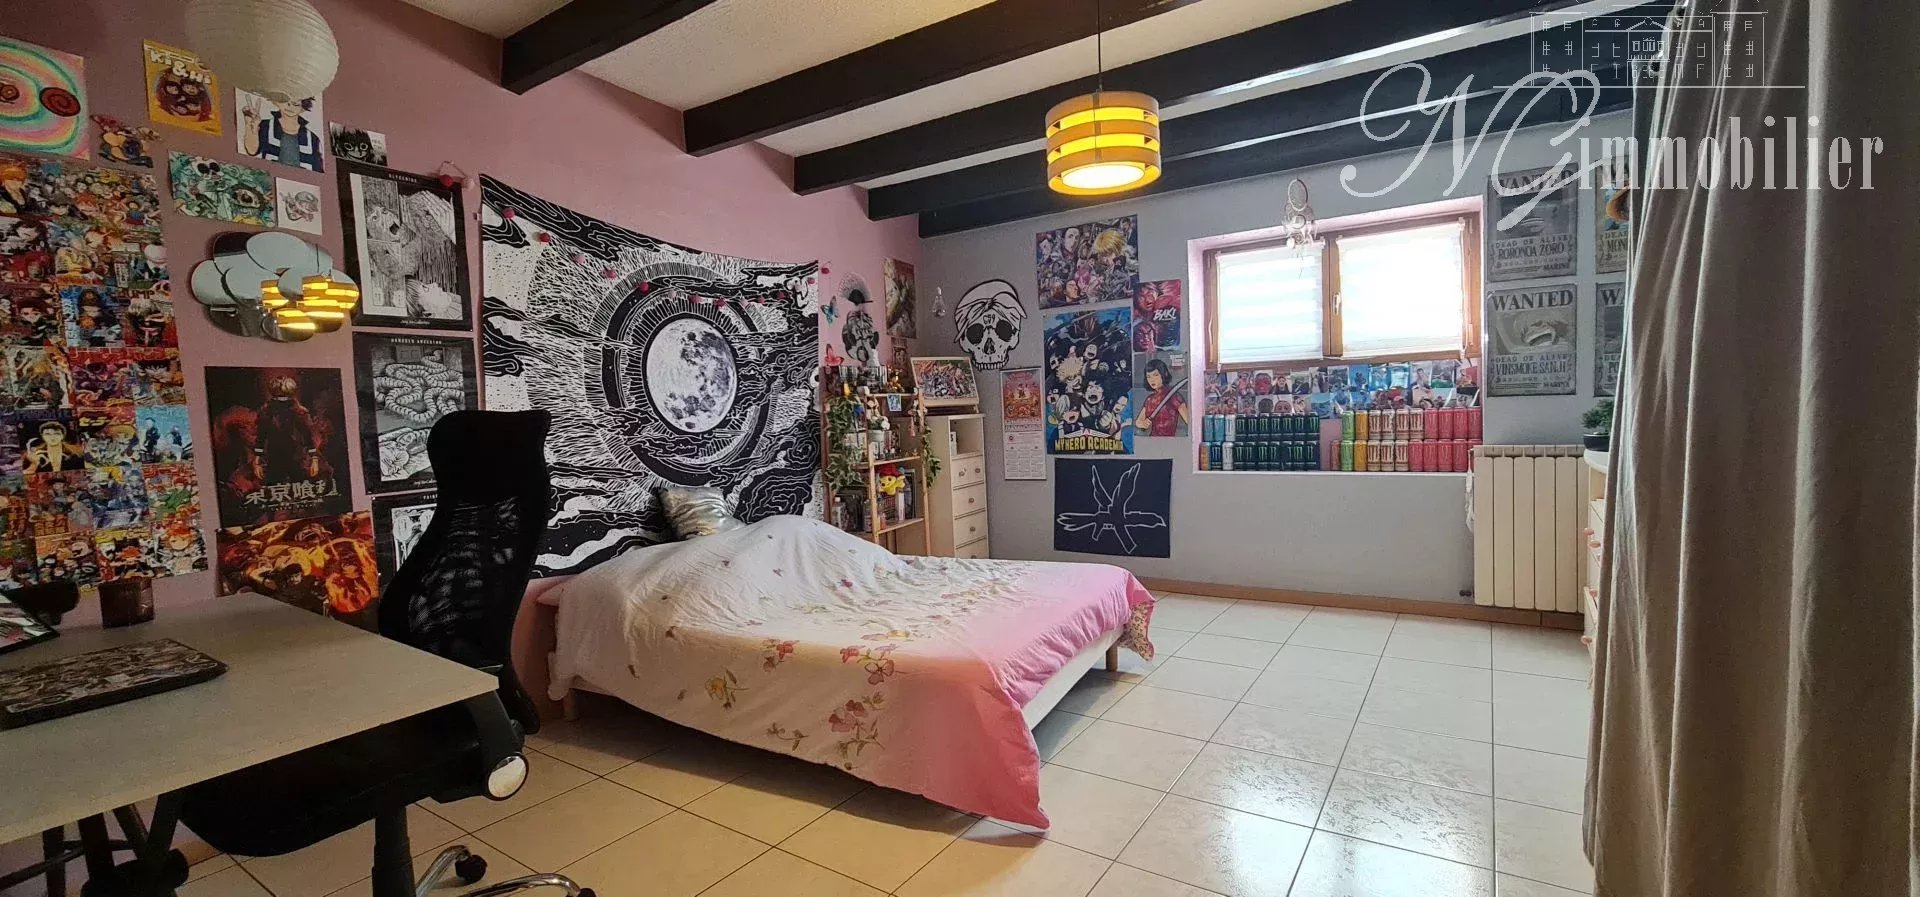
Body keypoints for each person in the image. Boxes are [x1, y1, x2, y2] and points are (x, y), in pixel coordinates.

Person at [241, 96, 324, 171]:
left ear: (303, 108)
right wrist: (250, 126)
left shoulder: (312, 138)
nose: (290, 107)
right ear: (275, 102)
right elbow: (252, 150)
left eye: (295, 104)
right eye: (285, 101)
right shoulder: (266, 126)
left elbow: (317, 169)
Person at [1134, 359, 1190, 437]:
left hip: (1169, 441)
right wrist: (1143, 424)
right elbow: (1138, 422)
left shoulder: (1174, 397)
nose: (1152, 380)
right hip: (1151, 440)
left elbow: (1189, 421)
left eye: (1155, 375)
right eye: (1148, 376)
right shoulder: (1149, 400)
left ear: (1164, 374)